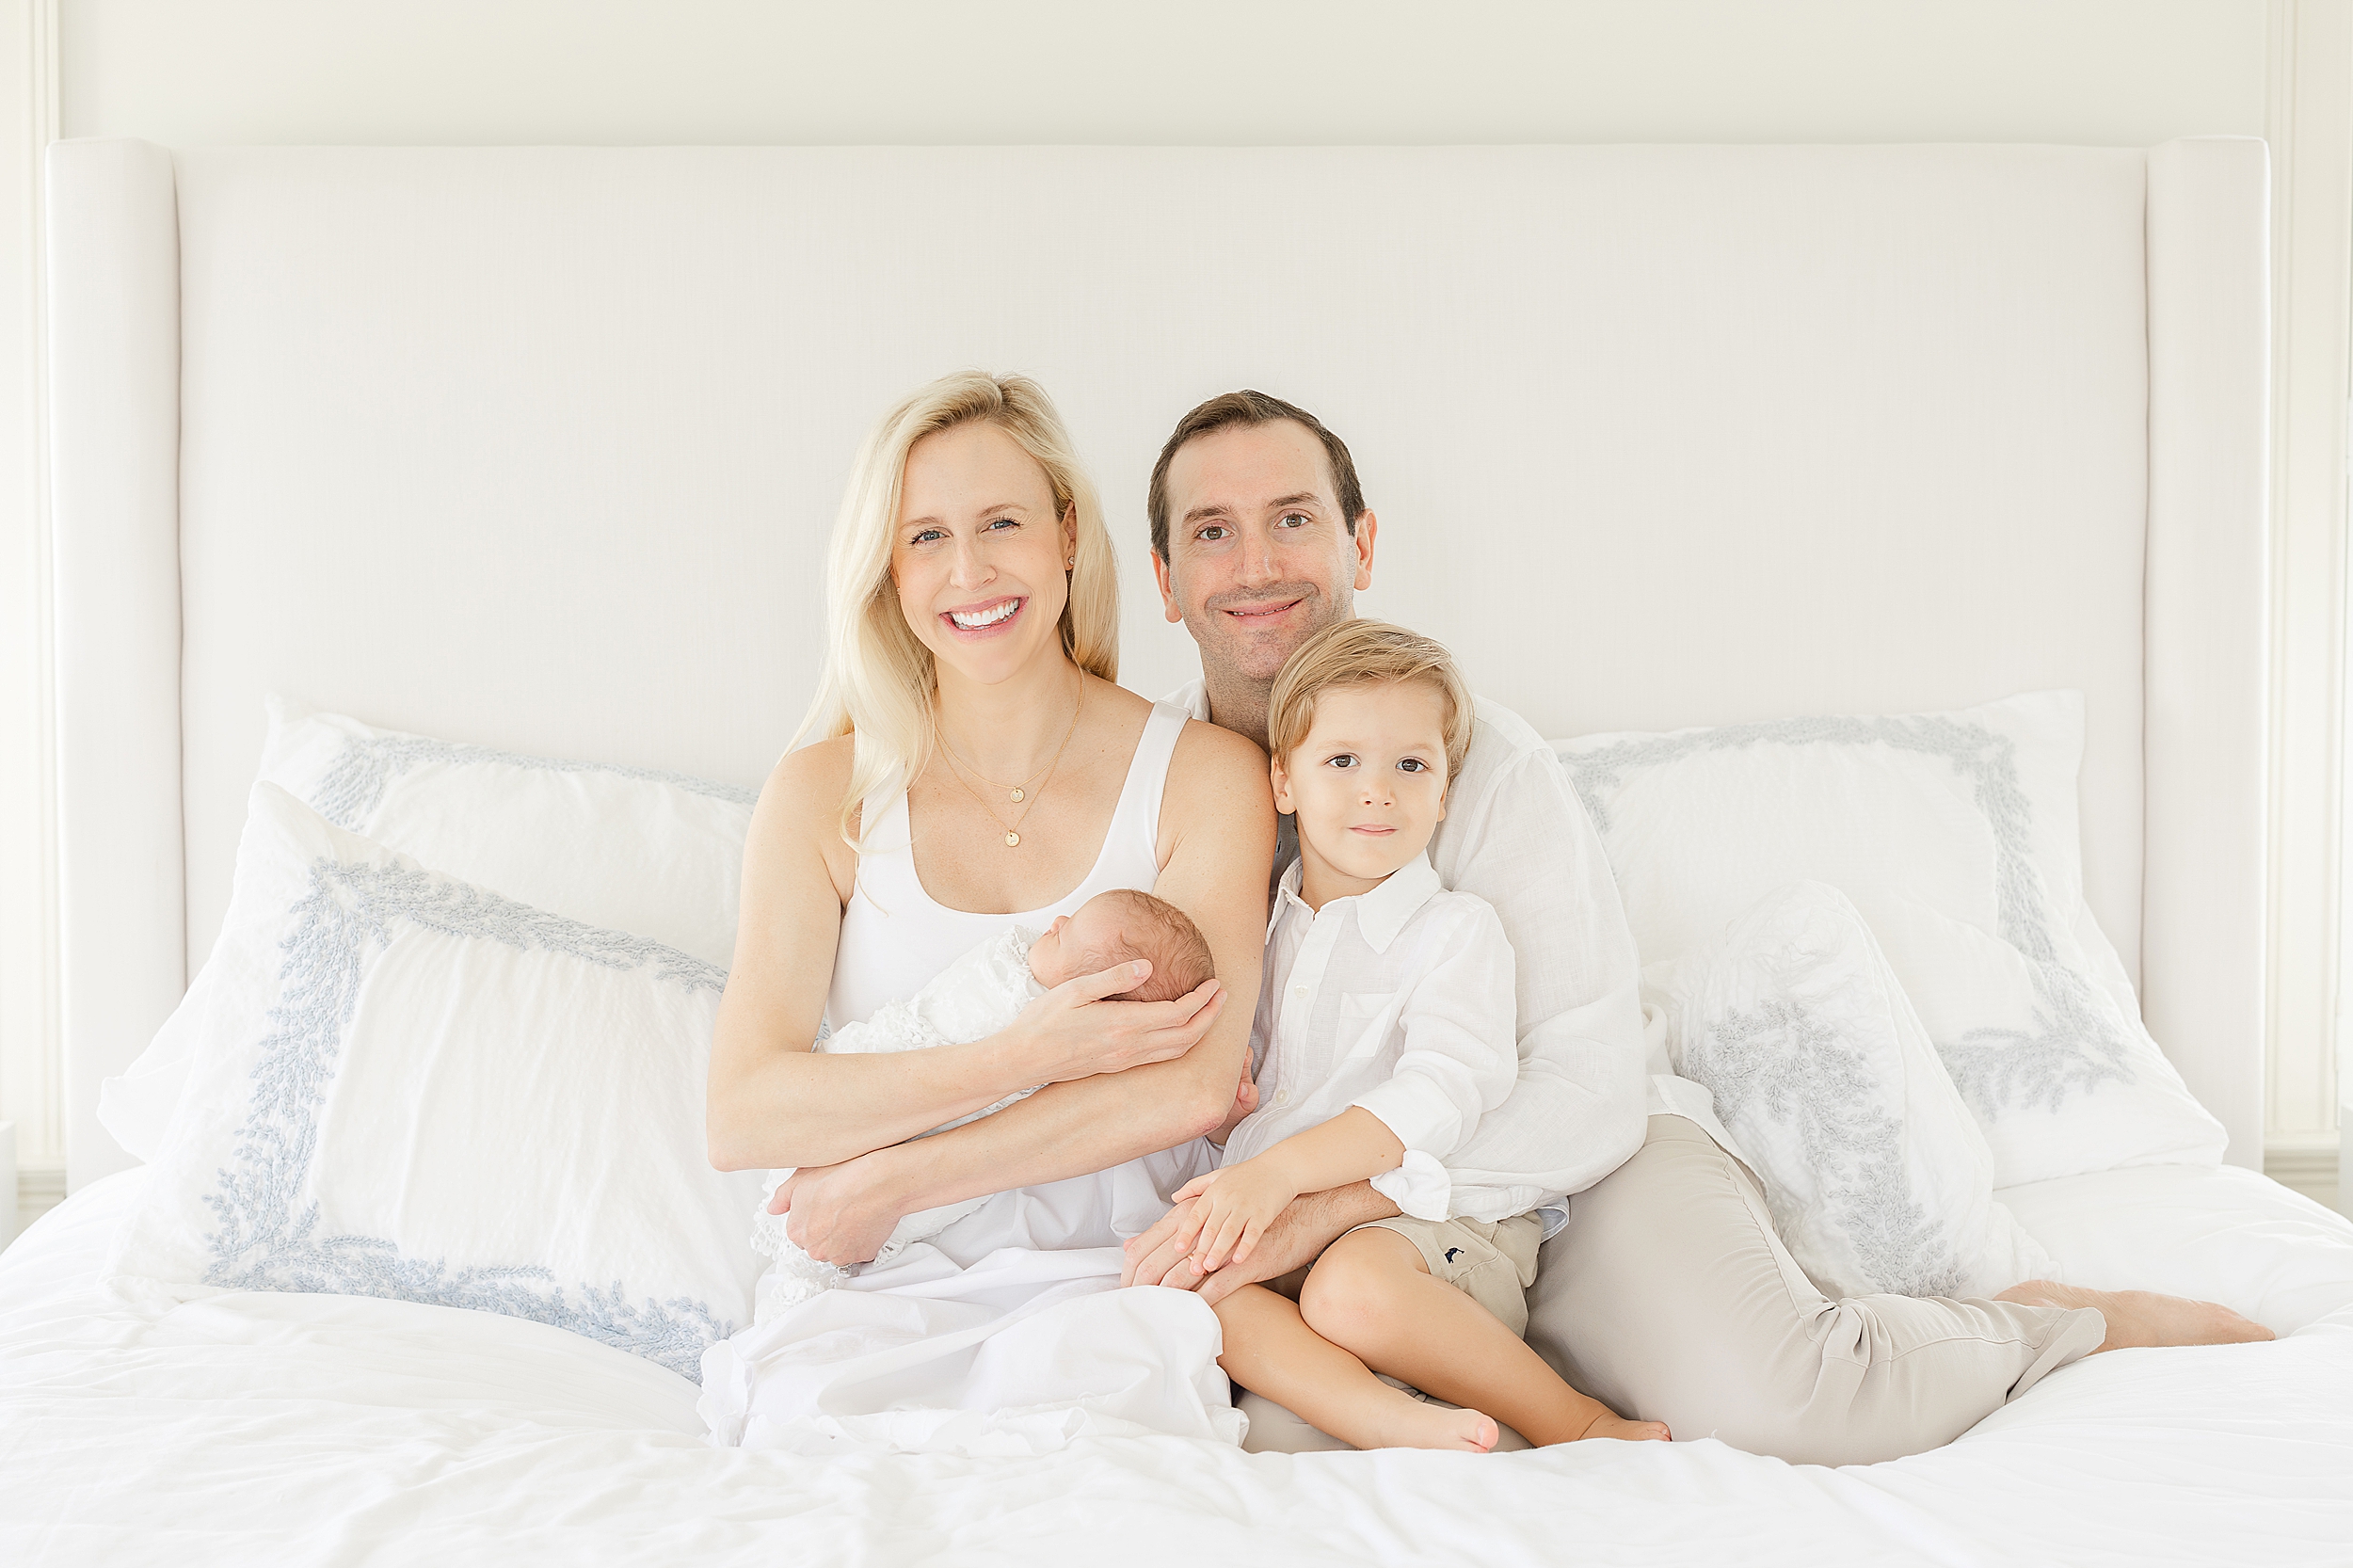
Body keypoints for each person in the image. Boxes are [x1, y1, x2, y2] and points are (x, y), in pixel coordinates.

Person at [1120, 388, 2271, 1464]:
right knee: (1281, 1432)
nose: (1258, 562)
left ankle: (2037, 1325)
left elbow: (1583, 1084)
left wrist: (1317, 1202)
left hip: (1574, 1165)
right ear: (1165, 581)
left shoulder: (1480, 764)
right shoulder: (1149, 785)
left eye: (1292, 518)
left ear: (1360, 544)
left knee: (1787, 1404)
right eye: (1213, 531)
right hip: (1367, 1220)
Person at [698, 372, 1273, 1450]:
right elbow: (744, 1112)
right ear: (886, 568)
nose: (968, 572)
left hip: (1110, 1287)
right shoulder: (822, 793)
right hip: (873, 1291)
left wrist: (899, 1175)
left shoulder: (1204, 776)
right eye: (925, 537)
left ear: (1066, 533)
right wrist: (1024, 1053)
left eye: (1000, 523)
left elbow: (1195, 1084)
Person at [1181, 617, 1668, 1450]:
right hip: (1299, 1220)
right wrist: (1234, 1114)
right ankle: (1383, 1418)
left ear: (1444, 794)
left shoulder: (1456, 931)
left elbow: (1445, 1091)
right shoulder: (1264, 929)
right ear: (1283, 781)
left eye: (1411, 765)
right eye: (1342, 761)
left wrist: (1274, 1172)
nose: (1379, 791)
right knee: (1200, 1293)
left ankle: (1576, 1420)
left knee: (1350, 1290)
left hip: (1439, 1229)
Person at [745, 889, 1217, 1320]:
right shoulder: (1004, 979)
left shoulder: (1098, 1050)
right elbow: (739, 1125)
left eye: (1065, 935)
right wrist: (1023, 1056)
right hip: (865, 1108)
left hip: (1028, 1243)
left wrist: (888, 1183)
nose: (1053, 922)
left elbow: (1195, 1095)